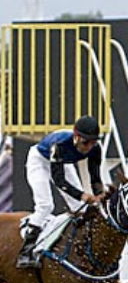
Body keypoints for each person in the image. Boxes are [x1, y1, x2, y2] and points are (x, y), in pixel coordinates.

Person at [16, 115, 106, 269]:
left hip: (62, 162)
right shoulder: (59, 145)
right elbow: (59, 181)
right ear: (76, 137)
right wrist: (83, 195)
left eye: (93, 142)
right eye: (86, 142)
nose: (89, 147)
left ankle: (78, 247)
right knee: (46, 205)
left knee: (81, 208)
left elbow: (95, 177)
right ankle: (25, 253)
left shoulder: (95, 149)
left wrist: (100, 195)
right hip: (39, 160)